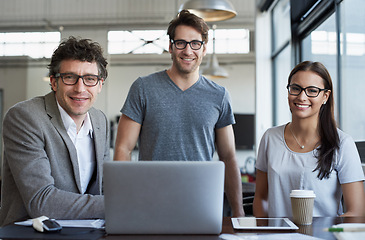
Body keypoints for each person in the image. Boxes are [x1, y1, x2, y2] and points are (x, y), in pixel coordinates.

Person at [113, 10, 244, 217]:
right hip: (149, 200)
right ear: (170, 47)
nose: (188, 50)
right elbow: (123, 149)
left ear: (204, 49)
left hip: (200, 201)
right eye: (180, 43)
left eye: (195, 43)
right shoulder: (143, 88)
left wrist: (238, 213)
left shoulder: (219, 95)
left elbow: (229, 157)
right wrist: (124, 203)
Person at [0, 36, 110, 226]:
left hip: (87, 230)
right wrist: (116, 205)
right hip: (30, 234)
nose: (80, 88)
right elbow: (41, 202)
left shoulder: (100, 120)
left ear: (100, 85)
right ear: (53, 82)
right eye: (70, 78)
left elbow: (103, 186)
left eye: (90, 79)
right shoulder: (25, 117)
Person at [253, 61, 365, 218]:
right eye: (295, 89)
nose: (302, 97)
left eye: (312, 90)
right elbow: (261, 199)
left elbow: (356, 212)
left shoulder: (343, 143)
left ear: (325, 96)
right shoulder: (270, 138)